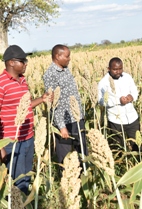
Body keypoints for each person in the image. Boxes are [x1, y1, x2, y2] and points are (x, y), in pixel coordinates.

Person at [0, 45, 49, 194]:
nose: (26, 63)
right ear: (11, 63)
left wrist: (41, 99)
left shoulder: (22, 81)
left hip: (28, 138)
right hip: (11, 142)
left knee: (26, 178)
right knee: (18, 182)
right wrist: (0, 147)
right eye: (23, 61)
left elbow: (24, 106)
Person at [43, 44, 88, 175]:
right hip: (65, 121)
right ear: (58, 56)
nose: (69, 59)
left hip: (76, 116)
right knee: (65, 154)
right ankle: (67, 181)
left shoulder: (65, 69)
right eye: (67, 56)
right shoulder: (50, 75)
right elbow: (53, 102)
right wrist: (61, 126)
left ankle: (84, 177)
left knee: (82, 150)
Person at [98, 57, 139, 152]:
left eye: (120, 69)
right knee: (118, 146)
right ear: (108, 69)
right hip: (115, 120)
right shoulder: (103, 83)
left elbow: (135, 91)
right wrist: (117, 101)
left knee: (137, 145)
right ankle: (120, 164)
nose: (118, 72)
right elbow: (101, 101)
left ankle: (138, 164)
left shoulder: (127, 77)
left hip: (132, 118)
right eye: (115, 69)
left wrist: (131, 97)